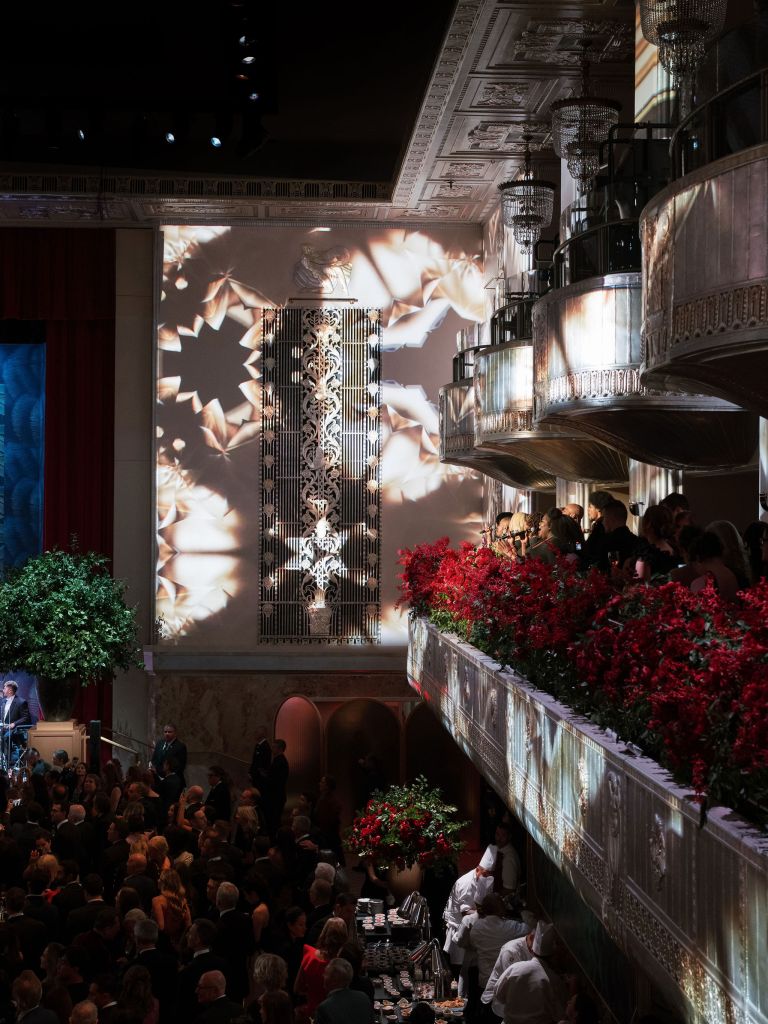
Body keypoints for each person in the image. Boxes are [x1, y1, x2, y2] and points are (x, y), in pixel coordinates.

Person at [492, 921, 566, 1024]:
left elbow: (499, 995)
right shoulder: (554, 981)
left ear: (532, 951)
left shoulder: (515, 968)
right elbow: (559, 1014)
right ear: (553, 956)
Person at [442, 856, 494, 990]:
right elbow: (465, 913)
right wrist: (486, 913)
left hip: (473, 929)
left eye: (489, 875)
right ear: (477, 870)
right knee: (459, 968)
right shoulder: (466, 883)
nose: (487, 877)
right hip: (459, 927)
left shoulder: (486, 879)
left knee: (470, 969)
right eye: (485, 874)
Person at [294, 916, 349, 1021]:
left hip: (312, 1012)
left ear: (324, 933)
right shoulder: (341, 966)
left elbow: (297, 988)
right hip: (335, 1015)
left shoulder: (309, 955)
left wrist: (312, 992)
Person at [315, 958, 371, 1024]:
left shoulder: (324, 1008)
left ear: (334, 980)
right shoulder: (364, 997)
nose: (323, 976)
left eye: (326, 973)